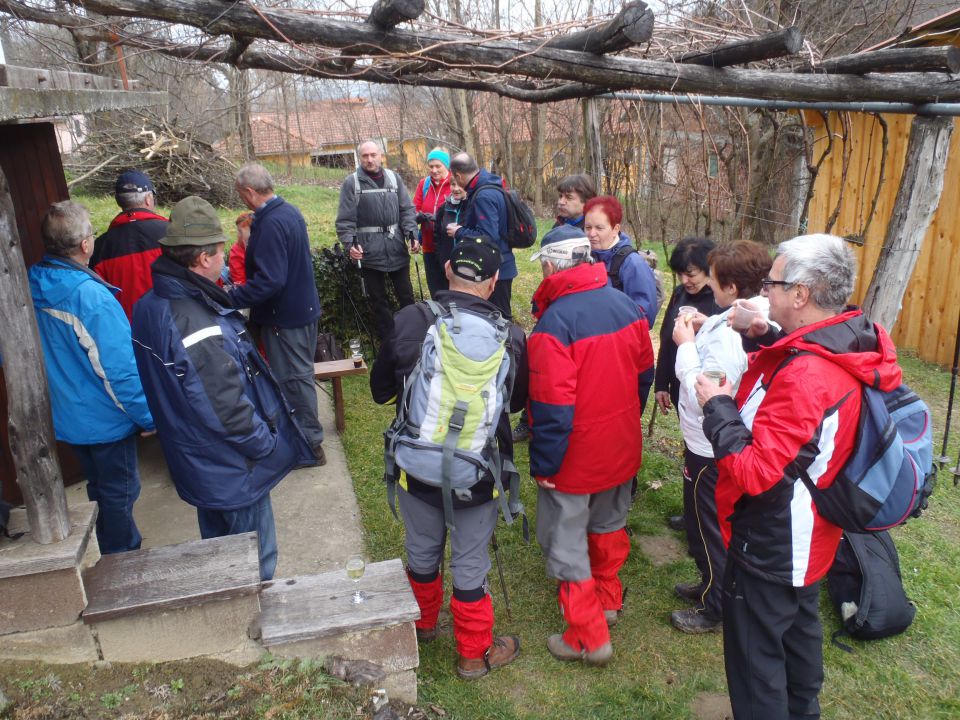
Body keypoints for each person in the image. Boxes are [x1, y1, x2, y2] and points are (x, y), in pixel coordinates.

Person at [695, 233, 903, 720]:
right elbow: (811, 363)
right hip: (811, 536)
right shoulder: (850, 336)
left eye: (773, 283)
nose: (764, 291)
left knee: (755, 658)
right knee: (797, 629)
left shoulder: (807, 377)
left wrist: (718, 406)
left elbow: (754, 472)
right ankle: (801, 709)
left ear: (801, 294)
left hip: (773, 541)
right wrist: (765, 333)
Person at [132, 197, 314, 581]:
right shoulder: (193, 319)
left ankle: (231, 621)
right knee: (255, 561)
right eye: (220, 253)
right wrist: (263, 443)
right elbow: (225, 404)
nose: (225, 261)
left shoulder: (151, 304)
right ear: (202, 260)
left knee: (220, 558)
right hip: (232, 465)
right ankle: (257, 628)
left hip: (198, 459)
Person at [370, 238, 528, 680]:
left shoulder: (410, 320)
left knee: (421, 551)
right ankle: (472, 655)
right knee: (470, 563)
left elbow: (380, 391)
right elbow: (514, 405)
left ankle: (420, 626)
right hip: (476, 478)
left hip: (415, 469)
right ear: (495, 281)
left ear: (445, 270)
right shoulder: (512, 336)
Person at [527, 226, 653, 666]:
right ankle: (609, 600)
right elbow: (643, 375)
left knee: (565, 542)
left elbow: (550, 409)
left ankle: (588, 637)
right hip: (620, 445)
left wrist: (544, 465)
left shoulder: (553, 325)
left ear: (550, 265)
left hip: (574, 457)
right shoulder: (626, 305)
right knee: (608, 524)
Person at [29, 200, 155, 554]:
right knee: (120, 492)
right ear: (86, 245)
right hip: (104, 420)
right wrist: (147, 415)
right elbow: (119, 371)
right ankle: (120, 560)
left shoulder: (31, 282)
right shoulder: (89, 296)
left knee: (99, 488)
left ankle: (105, 546)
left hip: (66, 414)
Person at [668, 240, 773, 634]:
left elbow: (709, 391)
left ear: (730, 287)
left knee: (709, 527)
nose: (707, 285)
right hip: (703, 443)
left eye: (712, 280)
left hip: (710, 448)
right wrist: (703, 322)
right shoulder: (734, 319)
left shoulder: (733, 338)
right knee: (698, 523)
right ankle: (709, 582)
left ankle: (717, 607)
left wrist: (687, 345)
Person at [231, 163, 326, 465]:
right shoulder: (289, 211)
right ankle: (303, 440)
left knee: (294, 380)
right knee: (297, 377)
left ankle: (310, 446)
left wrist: (233, 296)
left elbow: (271, 280)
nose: (241, 200)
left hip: (286, 318)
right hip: (300, 310)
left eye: (240, 194)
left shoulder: (271, 223)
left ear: (249, 191)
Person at [512, 174, 597, 443]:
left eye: (568, 198)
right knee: (538, 363)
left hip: (582, 308)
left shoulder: (593, 230)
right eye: (560, 196)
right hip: (553, 302)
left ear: (586, 203)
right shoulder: (558, 225)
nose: (560, 202)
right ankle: (529, 419)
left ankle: (570, 421)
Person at [336, 140, 419, 340]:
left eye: (373, 155)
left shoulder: (394, 178)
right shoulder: (352, 183)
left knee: (406, 297)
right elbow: (344, 221)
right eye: (365, 156)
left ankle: (414, 339)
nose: (370, 159)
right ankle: (389, 344)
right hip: (369, 252)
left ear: (381, 155)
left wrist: (412, 234)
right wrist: (350, 245)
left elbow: (407, 210)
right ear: (360, 158)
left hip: (397, 247)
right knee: (379, 301)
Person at [584, 195, 660, 410]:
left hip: (620, 354)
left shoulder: (632, 264)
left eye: (599, 228)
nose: (591, 234)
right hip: (591, 349)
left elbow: (645, 315)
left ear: (616, 228)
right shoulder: (587, 256)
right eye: (587, 227)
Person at [654, 236, 720, 417]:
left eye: (691, 275)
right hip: (679, 384)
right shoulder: (679, 294)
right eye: (679, 274)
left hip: (709, 388)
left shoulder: (722, 299)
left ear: (709, 270)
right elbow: (666, 338)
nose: (684, 281)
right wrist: (661, 384)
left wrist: (709, 327)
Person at [90, 169, 167, 321]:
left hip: (127, 335)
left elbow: (98, 300)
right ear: (149, 198)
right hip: (172, 327)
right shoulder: (171, 234)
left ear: (119, 201)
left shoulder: (100, 247)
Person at [446, 152, 517, 318]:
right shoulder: (490, 185)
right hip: (501, 263)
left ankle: (508, 343)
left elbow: (487, 236)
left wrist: (459, 232)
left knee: (499, 317)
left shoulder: (483, 195)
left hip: (498, 268)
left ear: (457, 175)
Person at [413, 147, 452, 297]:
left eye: (438, 166)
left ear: (446, 165)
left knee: (452, 291)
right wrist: (414, 236)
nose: (434, 170)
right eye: (431, 166)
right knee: (435, 291)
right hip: (429, 247)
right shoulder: (424, 184)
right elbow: (412, 211)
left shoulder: (455, 183)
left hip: (450, 248)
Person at [227, 212, 252, 285]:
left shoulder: (265, 244)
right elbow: (240, 282)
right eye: (238, 231)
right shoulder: (236, 251)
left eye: (241, 232)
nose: (238, 235)